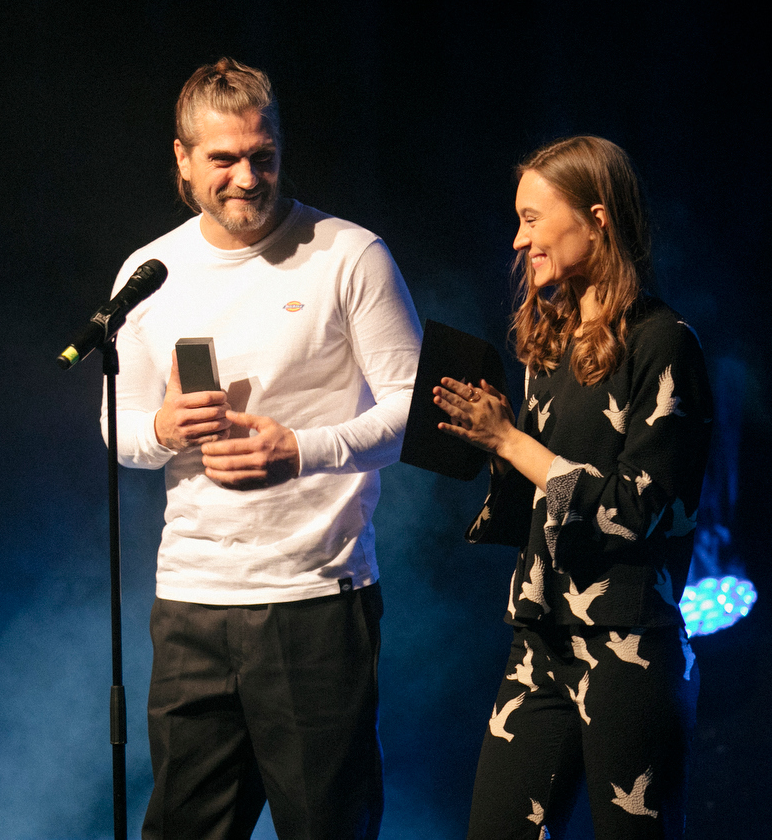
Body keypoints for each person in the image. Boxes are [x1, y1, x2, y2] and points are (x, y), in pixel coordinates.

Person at [106, 58, 421, 840]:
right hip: (192, 600)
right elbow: (120, 429)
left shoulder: (348, 253)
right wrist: (162, 429)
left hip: (315, 598)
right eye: (225, 159)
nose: (247, 177)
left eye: (263, 155)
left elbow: (413, 411)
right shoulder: (149, 274)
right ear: (182, 159)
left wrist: (302, 450)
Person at [433, 136, 712, 840]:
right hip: (540, 638)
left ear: (596, 218)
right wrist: (489, 443)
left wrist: (513, 441)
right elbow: (541, 503)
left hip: (629, 644)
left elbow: (636, 510)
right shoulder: (550, 341)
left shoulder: (664, 342)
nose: (519, 239)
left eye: (532, 218)